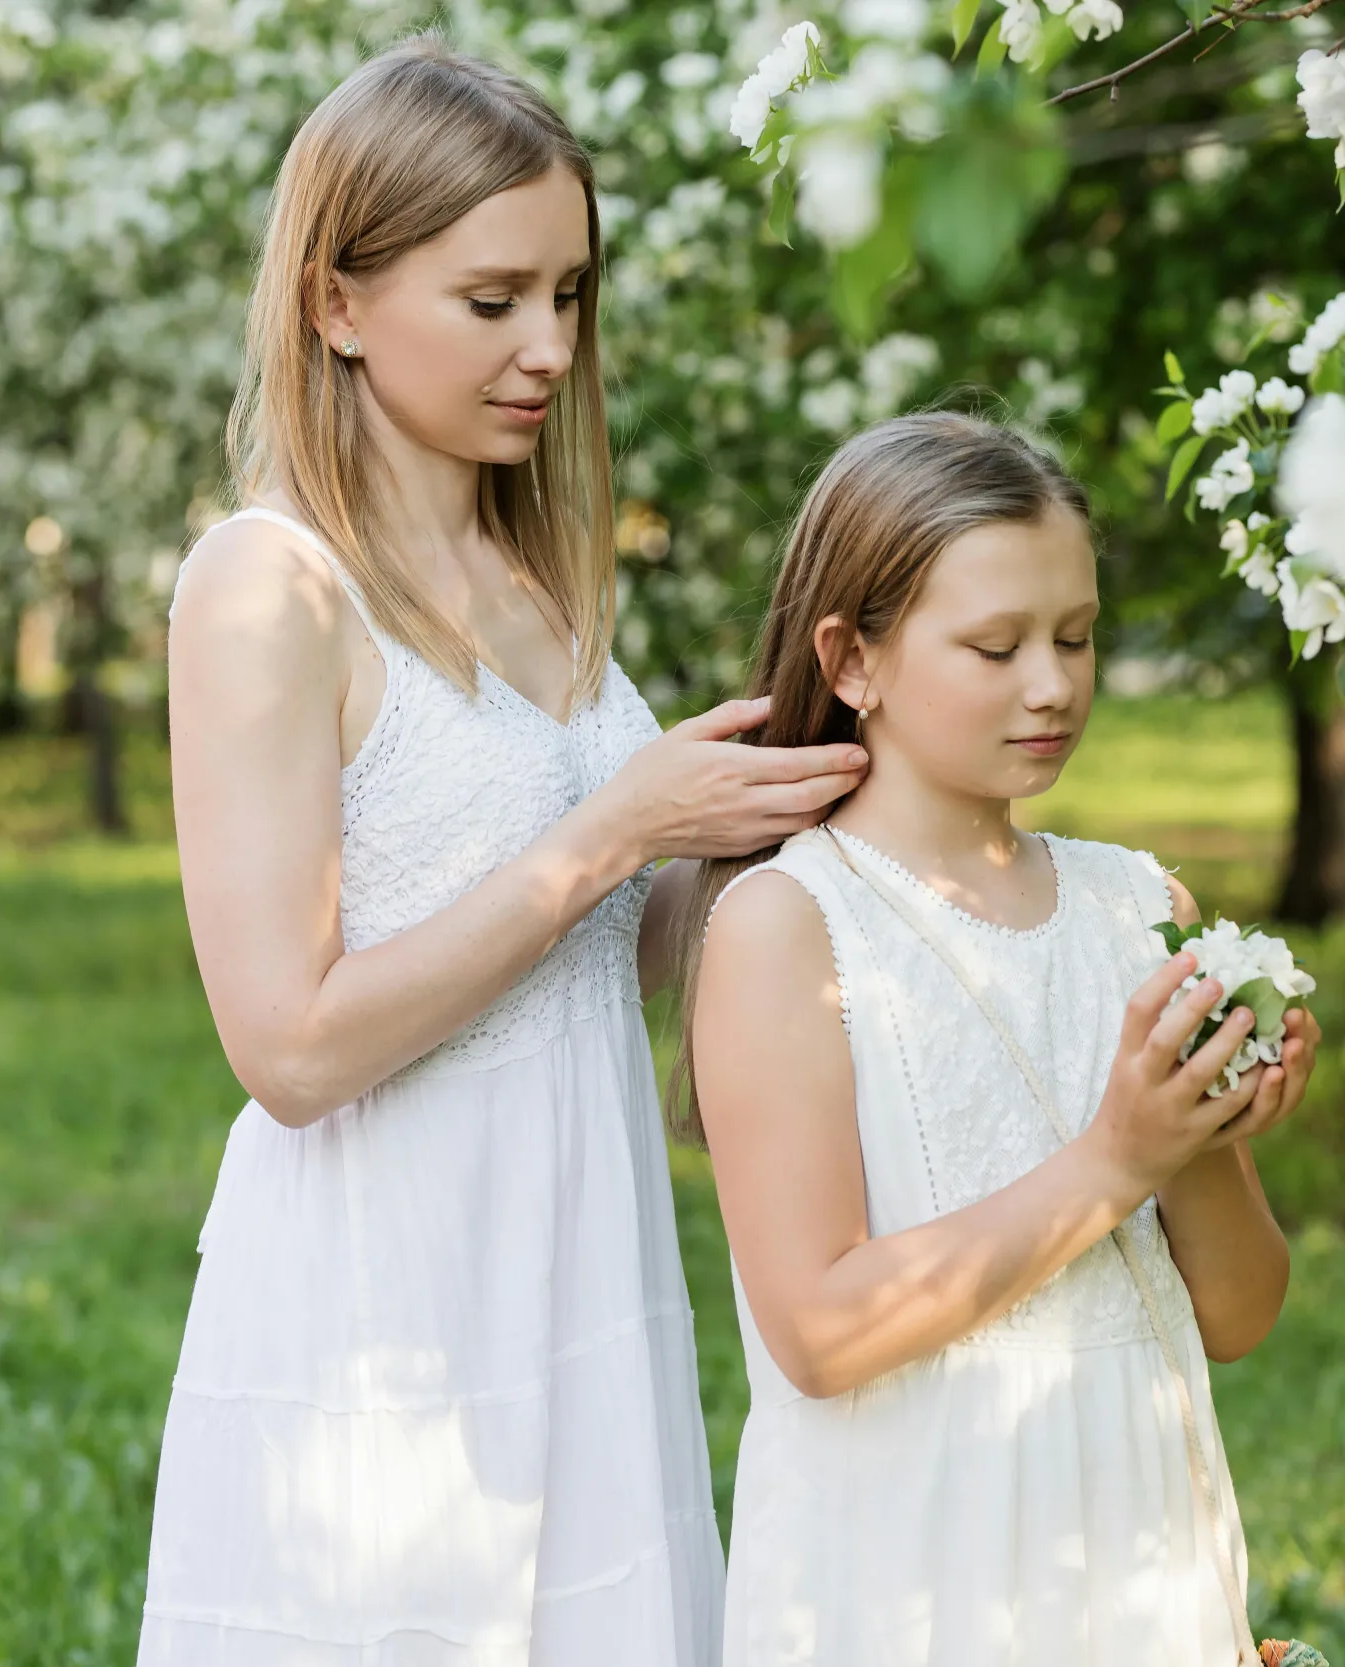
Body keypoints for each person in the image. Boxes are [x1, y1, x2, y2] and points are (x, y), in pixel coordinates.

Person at [140, 38, 864, 1665]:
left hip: (581, 1255)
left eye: (572, 296)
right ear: (336, 299)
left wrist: (768, 816)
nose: (548, 348)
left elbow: (623, 944)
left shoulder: (533, 583)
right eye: (492, 302)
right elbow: (291, 1046)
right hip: (386, 1289)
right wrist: (611, 833)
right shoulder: (271, 588)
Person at [680, 413, 1322, 1665]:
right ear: (851, 659)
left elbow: (1238, 1312)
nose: (1053, 683)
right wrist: (1116, 1157)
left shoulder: (1135, 905)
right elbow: (817, 1327)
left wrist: (1195, 1129)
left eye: (1077, 636)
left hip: (1133, 1542)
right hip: (914, 1561)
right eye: (996, 644)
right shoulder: (788, 925)